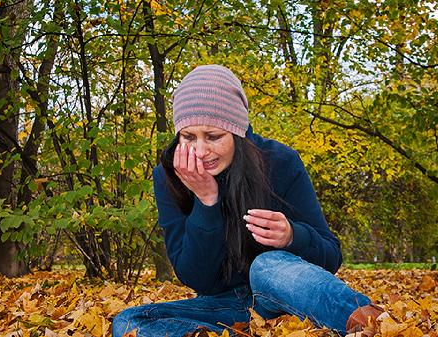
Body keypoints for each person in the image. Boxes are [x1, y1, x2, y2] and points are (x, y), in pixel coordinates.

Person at [112, 65, 382, 337]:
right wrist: (207, 201)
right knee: (130, 322)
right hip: (223, 306)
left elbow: (331, 255)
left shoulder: (280, 161)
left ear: (237, 131)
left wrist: (293, 236)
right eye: (188, 137)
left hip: (282, 295)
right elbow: (199, 280)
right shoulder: (169, 175)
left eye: (214, 136)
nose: (201, 151)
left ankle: (374, 325)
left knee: (265, 265)